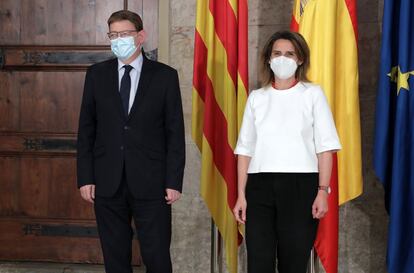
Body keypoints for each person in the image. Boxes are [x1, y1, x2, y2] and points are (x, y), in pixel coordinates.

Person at [76, 10, 185, 273]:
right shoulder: (96, 75)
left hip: (152, 183)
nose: (118, 40)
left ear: (141, 36)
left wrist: (173, 181)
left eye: (124, 34)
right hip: (107, 181)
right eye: (113, 35)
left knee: (157, 256)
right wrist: (85, 177)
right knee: (115, 257)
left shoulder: (165, 76)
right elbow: (86, 130)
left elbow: (175, 132)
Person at [232, 30, 342, 273]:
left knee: (293, 262)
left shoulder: (313, 94)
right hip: (259, 187)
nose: (283, 59)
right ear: (269, 59)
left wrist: (322, 191)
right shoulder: (256, 98)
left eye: (290, 54)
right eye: (277, 53)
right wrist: (241, 194)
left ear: (300, 59)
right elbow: (245, 150)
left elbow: (325, 148)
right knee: (259, 262)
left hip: (301, 186)